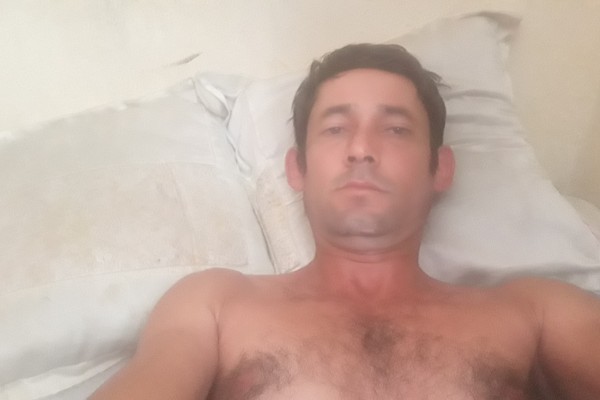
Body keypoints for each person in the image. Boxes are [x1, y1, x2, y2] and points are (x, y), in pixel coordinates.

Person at [90, 43, 600, 400]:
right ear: (298, 169)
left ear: (440, 169)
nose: (361, 148)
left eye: (395, 129)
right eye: (335, 129)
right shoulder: (215, 307)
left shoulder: (534, 313)